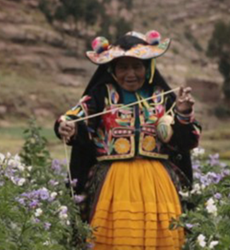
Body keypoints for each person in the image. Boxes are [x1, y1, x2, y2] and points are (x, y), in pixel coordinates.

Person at [54, 30, 201, 249]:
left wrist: (182, 113)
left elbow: (187, 140)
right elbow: (74, 117)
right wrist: (67, 126)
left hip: (158, 183)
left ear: (148, 68)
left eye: (137, 66)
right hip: (113, 182)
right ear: (112, 69)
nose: (130, 74)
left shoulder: (163, 96)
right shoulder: (101, 95)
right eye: (123, 67)